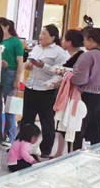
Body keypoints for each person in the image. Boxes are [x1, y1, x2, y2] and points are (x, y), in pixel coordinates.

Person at [22, 25, 69, 158]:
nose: (41, 36)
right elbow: (26, 64)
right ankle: (23, 146)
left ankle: (46, 150)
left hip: (46, 90)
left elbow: (60, 72)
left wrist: (43, 66)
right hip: (31, 87)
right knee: (27, 119)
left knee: (47, 121)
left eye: (44, 34)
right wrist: (28, 65)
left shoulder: (59, 52)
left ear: (53, 37)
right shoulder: (36, 48)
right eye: (40, 34)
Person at [70, 28, 100, 150]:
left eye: (84, 39)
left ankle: (76, 156)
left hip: (89, 96)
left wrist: (68, 77)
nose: (83, 42)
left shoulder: (88, 56)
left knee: (79, 130)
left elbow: (79, 79)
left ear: (90, 40)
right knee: (97, 130)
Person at [49, 29, 85, 156]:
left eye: (64, 39)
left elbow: (75, 77)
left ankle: (70, 154)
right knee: (61, 125)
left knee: (70, 125)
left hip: (73, 97)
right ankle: (60, 152)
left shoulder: (80, 57)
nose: (62, 41)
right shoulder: (72, 56)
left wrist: (63, 80)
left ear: (69, 42)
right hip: (66, 93)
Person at [0, 18, 24, 146]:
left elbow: (20, 62)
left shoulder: (15, 42)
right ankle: (0, 133)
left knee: (9, 106)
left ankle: (11, 136)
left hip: (10, 73)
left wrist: (18, 78)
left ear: (6, 27)